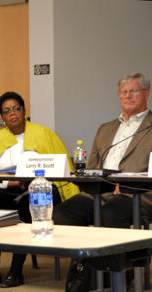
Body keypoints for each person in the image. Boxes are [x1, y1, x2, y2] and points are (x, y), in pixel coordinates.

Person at [0, 92, 79, 288]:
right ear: (2, 117)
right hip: (8, 190)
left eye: (16, 108)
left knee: (28, 203)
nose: (13, 114)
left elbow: (61, 167)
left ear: (24, 110)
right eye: (6, 111)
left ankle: (16, 271)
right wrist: (11, 184)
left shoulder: (43, 134)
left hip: (40, 190)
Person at [53, 73, 152, 228]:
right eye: (123, 92)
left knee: (110, 214)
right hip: (99, 192)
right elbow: (92, 167)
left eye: (133, 91)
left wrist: (128, 186)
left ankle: (127, 253)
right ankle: (87, 252)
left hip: (138, 194)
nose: (128, 96)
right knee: (61, 214)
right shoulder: (105, 129)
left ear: (146, 93)